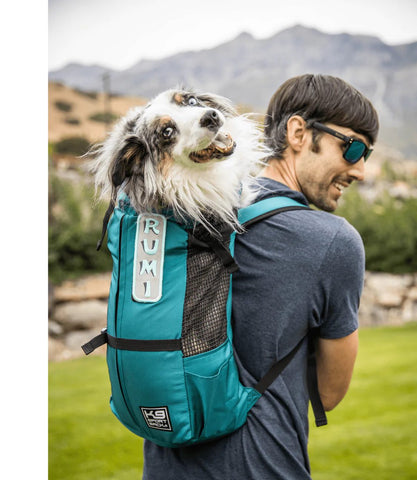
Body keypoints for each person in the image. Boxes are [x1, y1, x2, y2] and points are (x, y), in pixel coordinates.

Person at [143, 73, 379, 479]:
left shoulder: (181, 213)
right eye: (352, 147)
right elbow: (328, 392)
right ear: (298, 132)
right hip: (264, 464)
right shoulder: (333, 241)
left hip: (165, 463)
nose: (359, 170)